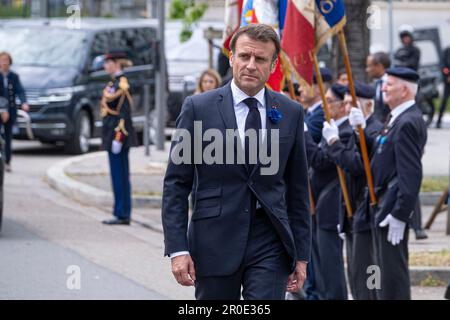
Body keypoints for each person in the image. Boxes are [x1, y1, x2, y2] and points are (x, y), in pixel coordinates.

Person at [162, 24, 311, 300]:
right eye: (244, 56)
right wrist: (178, 248)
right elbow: (176, 184)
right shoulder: (198, 108)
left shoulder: (290, 111)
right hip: (214, 240)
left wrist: (302, 254)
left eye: (260, 59)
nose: (251, 65)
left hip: (271, 241)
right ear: (231, 58)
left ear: (274, 64)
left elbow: (298, 188)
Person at [350, 67, 427, 300]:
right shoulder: (394, 118)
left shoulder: (408, 122)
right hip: (379, 206)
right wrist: (359, 131)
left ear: (404, 90)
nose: (383, 88)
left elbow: (411, 174)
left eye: (389, 84)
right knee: (379, 272)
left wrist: (401, 214)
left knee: (392, 277)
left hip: (391, 208)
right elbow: (378, 154)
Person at [328, 81, 381, 300]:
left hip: (366, 212)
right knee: (356, 274)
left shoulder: (374, 129)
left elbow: (358, 165)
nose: (348, 108)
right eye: (347, 102)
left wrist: (334, 143)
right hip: (351, 211)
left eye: (353, 103)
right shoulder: (353, 129)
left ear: (368, 106)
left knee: (369, 273)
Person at [305, 83, 350, 300]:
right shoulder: (331, 126)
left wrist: (303, 135)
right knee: (321, 263)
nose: (326, 105)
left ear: (343, 106)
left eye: (330, 101)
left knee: (332, 268)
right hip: (319, 204)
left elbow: (322, 161)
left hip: (332, 206)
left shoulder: (347, 131)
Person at [100, 52, 137, 226]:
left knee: (120, 175)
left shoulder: (122, 84)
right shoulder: (113, 83)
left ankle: (122, 213)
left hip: (118, 136)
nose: (105, 66)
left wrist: (118, 137)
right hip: (111, 133)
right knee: (117, 175)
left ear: (116, 64)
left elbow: (124, 114)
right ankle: (119, 211)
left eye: (108, 62)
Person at [0, 51, 29, 172]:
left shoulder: (14, 76)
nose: (4, 62)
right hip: (0, 111)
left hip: (10, 112)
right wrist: (2, 110)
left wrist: (24, 102)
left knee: (8, 137)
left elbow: (20, 90)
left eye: (6, 60)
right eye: (2, 60)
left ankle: (7, 161)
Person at [299, 68, 332, 144]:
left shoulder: (323, 113)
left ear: (320, 89)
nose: (299, 89)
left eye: (304, 85)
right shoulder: (308, 112)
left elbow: (301, 137)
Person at [366, 51, 391, 122]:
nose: (367, 70)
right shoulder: (373, 86)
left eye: (369, 66)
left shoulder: (394, 84)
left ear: (379, 66)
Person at [436, 46, 450, 128]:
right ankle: (439, 121)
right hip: (448, 81)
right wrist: (447, 75)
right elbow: (443, 65)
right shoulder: (447, 51)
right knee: (444, 101)